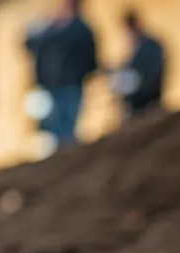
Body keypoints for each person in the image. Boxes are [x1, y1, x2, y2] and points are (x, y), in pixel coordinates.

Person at [26, 0, 97, 145]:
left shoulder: (79, 29)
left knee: (67, 128)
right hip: (52, 87)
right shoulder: (53, 30)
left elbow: (90, 58)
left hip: (71, 86)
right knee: (52, 129)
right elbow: (30, 44)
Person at [114, 11, 165, 118]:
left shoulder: (150, 46)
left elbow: (154, 73)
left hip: (147, 97)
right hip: (136, 100)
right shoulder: (134, 49)